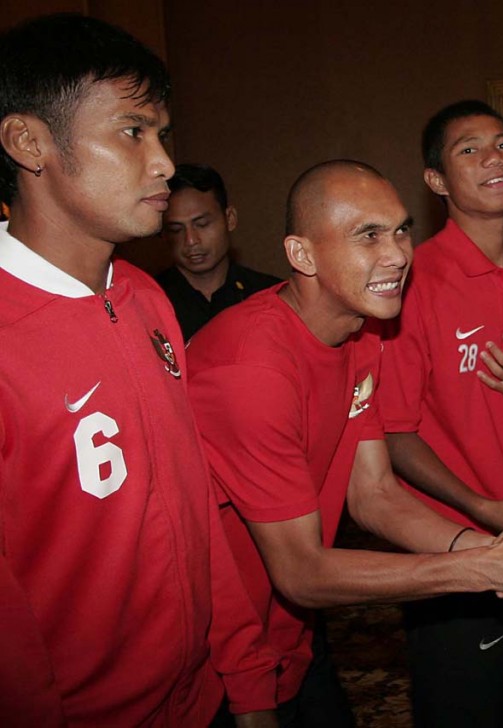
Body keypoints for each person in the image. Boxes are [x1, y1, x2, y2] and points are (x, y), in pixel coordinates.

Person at [187, 160, 503, 726]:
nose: (398, 254)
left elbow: (374, 494)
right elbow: (301, 572)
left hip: (288, 635)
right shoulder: (253, 367)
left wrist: (495, 552)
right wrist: (484, 570)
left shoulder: (362, 334)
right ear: (303, 255)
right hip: (212, 659)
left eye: (402, 230)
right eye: (368, 236)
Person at [0, 13, 272, 726]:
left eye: (162, 135)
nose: (163, 164)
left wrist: (245, 677)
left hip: (201, 700)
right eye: (132, 132)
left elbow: (194, 500)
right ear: (28, 142)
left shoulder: (145, 297)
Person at [378, 100, 503, 727]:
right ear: (436, 180)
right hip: (452, 543)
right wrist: (481, 508)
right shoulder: (412, 280)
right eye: (470, 149)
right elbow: (395, 433)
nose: (494, 158)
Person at [157, 163, 279, 339]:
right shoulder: (149, 301)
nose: (191, 240)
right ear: (163, 234)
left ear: (230, 219)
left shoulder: (270, 296)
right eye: (176, 230)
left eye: (202, 224)